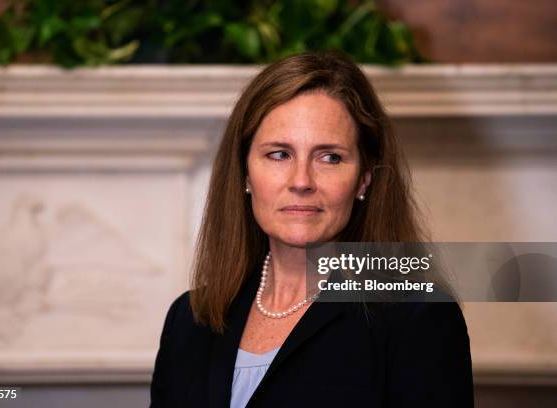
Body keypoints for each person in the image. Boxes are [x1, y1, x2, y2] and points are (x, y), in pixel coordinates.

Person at [149, 51, 474, 407]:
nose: (301, 181)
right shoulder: (190, 318)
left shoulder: (418, 316)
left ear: (364, 178)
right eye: (279, 154)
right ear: (244, 173)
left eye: (330, 157)